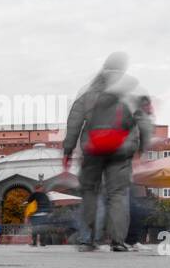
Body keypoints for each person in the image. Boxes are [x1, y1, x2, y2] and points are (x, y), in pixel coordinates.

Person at [63, 52, 154, 252]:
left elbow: (74, 121)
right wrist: (143, 147)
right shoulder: (133, 90)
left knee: (89, 193)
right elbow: (145, 122)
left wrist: (68, 149)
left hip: (92, 149)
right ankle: (118, 241)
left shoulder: (89, 91)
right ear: (123, 68)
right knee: (118, 194)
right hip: (122, 150)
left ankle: (87, 239)